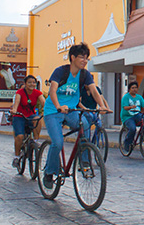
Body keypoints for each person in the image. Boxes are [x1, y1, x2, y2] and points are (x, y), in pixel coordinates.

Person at [42, 42, 109, 188]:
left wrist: (102, 106)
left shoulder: (85, 75)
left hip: (71, 111)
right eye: (82, 57)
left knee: (85, 126)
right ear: (72, 57)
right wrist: (58, 106)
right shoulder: (60, 72)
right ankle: (49, 172)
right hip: (53, 111)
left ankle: (84, 162)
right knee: (58, 143)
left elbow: (94, 90)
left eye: (87, 58)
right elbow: (52, 91)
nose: (85, 61)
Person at [10, 74, 45, 168]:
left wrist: (49, 110)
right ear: (25, 83)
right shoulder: (20, 92)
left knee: (37, 119)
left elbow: (43, 103)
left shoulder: (37, 93)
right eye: (29, 82)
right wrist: (14, 110)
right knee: (20, 136)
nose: (32, 84)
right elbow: (16, 103)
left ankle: (35, 140)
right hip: (19, 116)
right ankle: (16, 156)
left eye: (34, 82)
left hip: (30, 115)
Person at [120, 81, 144, 152]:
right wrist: (131, 107)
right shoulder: (126, 97)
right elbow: (125, 107)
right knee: (132, 129)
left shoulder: (139, 97)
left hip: (137, 114)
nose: (134, 89)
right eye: (132, 88)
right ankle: (127, 142)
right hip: (128, 116)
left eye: (135, 88)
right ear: (129, 89)